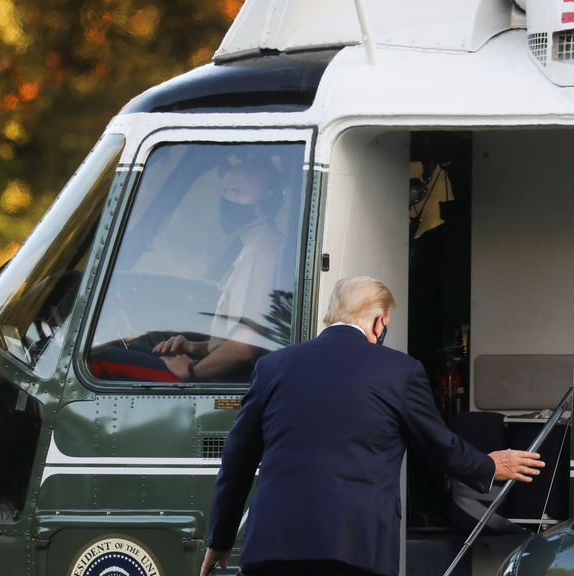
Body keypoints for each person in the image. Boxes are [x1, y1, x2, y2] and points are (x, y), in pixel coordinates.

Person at [200, 276, 544, 576]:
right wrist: (490, 466)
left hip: (273, 546)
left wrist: (220, 539)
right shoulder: (400, 371)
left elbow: (236, 459)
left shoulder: (273, 366)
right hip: (356, 547)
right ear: (380, 322)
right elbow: (438, 447)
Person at [151, 160, 285, 382]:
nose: (228, 199)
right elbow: (232, 341)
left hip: (235, 379)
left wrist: (191, 371)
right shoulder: (258, 246)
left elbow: (245, 347)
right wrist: (193, 347)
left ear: (267, 201)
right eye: (225, 190)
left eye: (238, 192)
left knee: (104, 362)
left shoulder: (259, 254)